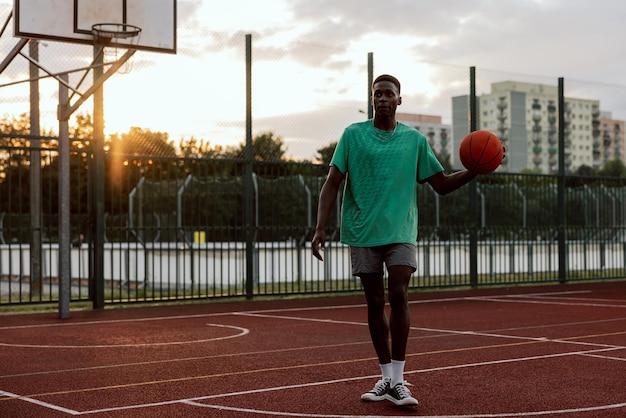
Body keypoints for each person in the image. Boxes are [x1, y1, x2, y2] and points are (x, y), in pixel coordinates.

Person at [311, 74, 488, 407]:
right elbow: (332, 182)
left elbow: (442, 184)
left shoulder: (414, 140)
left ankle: (399, 379)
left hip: (401, 231)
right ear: (372, 99)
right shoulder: (352, 135)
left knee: (399, 292)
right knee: (375, 301)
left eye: (388, 93)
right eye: (377, 93)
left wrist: (474, 170)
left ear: (399, 100)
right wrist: (320, 227)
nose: (382, 98)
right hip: (363, 230)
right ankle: (386, 378)